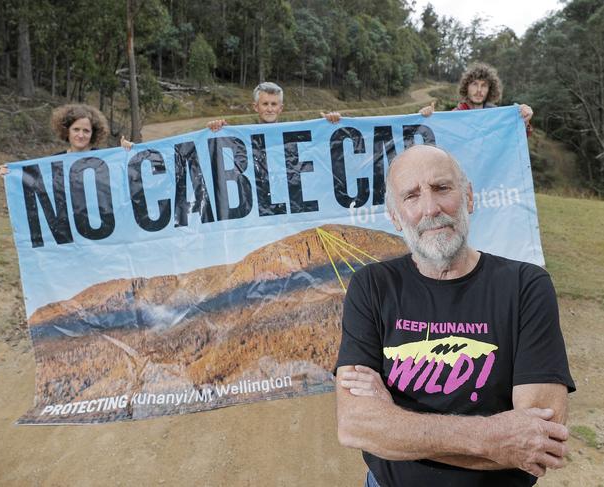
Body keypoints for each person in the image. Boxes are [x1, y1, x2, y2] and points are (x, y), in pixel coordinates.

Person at [335, 144, 574, 487]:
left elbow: (539, 443)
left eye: (442, 188)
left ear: (469, 198)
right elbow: (355, 425)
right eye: (412, 196)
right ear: (395, 216)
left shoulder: (525, 285)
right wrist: (493, 436)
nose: (430, 209)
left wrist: (393, 425)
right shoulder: (372, 286)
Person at [0, 103, 132, 175]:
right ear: (66, 131)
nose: (80, 135)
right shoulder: (54, 162)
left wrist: (129, 152)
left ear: (93, 133)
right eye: (76, 129)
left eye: (86, 131)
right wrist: (11, 173)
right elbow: (33, 180)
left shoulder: (105, 160)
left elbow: (129, 175)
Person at [418, 63, 533, 136]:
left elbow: (517, 137)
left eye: (484, 85)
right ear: (466, 87)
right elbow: (433, 136)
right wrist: (425, 119)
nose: (479, 90)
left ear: (490, 89)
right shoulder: (455, 115)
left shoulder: (496, 115)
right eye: (474, 84)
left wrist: (524, 120)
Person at [207, 82, 285, 131]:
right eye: (265, 104)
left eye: (274, 104)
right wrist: (221, 128)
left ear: (281, 108)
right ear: (256, 107)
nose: (270, 109)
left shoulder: (294, 135)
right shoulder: (245, 136)